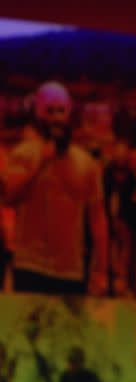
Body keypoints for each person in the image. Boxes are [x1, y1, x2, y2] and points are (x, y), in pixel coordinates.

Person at [0, 81, 109, 295]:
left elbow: (98, 219)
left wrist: (101, 270)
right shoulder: (22, 155)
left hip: (70, 270)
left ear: (69, 114)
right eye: (50, 111)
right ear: (40, 114)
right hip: (29, 266)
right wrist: (40, 162)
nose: (56, 118)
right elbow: (8, 197)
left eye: (61, 110)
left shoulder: (86, 163)